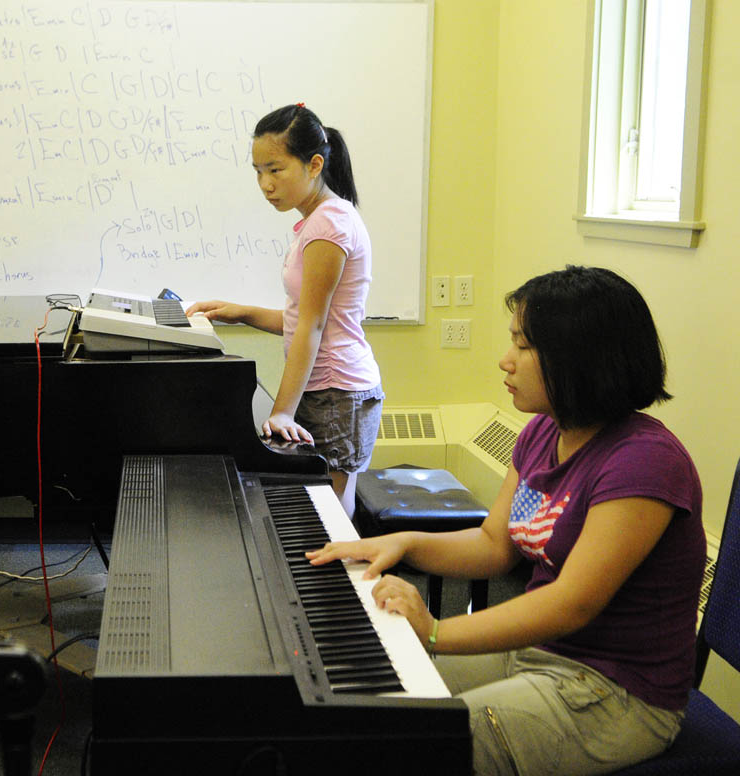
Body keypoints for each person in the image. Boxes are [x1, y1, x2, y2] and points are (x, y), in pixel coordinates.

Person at [307, 265, 705, 775]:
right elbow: (495, 545)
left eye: (522, 345)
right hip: (539, 655)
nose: (505, 360)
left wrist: (435, 633)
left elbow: (573, 603)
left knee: (414, 743)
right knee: (372, 697)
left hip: (617, 692)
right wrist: (402, 543)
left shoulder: (645, 461)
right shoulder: (542, 433)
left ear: (578, 357)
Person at [186, 104, 384, 516]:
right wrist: (239, 312)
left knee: (330, 516)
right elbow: (300, 319)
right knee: (321, 514)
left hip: (338, 390)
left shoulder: (329, 226)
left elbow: (312, 327)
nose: (265, 184)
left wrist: (282, 411)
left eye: (275, 170)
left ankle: (342, 582)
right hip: (329, 387)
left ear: (314, 164)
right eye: (258, 171)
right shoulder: (319, 221)